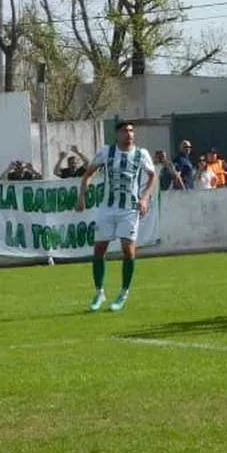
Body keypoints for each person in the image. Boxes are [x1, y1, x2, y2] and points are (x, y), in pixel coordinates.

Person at [75, 120, 158, 312]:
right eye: (125, 130)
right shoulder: (106, 152)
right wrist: (81, 197)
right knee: (99, 249)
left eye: (131, 130)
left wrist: (144, 198)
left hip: (129, 209)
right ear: (117, 134)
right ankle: (99, 293)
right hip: (107, 208)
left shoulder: (141, 154)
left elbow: (153, 176)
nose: (129, 134)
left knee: (128, 249)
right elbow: (88, 174)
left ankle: (124, 292)